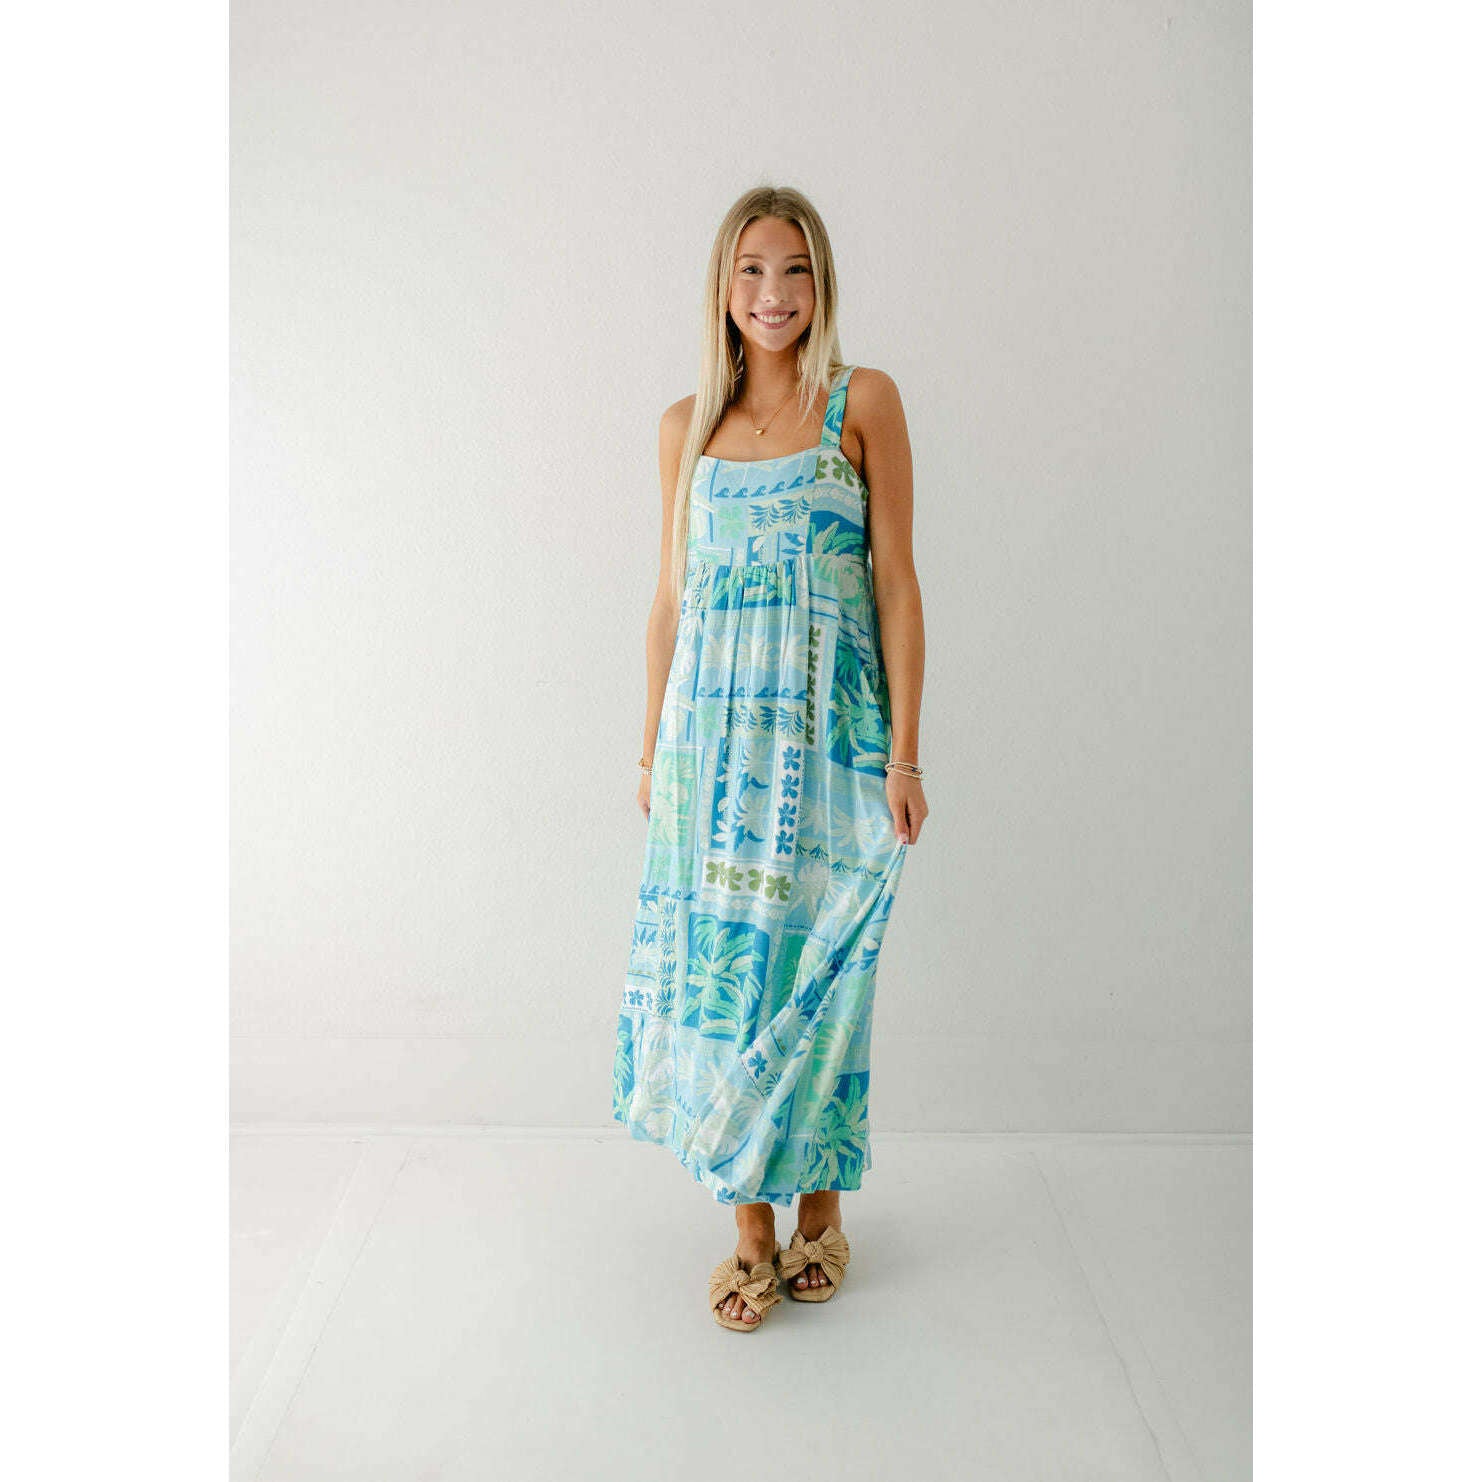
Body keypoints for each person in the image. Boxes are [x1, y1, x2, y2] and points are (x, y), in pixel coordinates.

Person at [611, 184, 928, 1332]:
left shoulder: (862, 403)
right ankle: (749, 1229)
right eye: (751, 270)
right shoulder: (685, 428)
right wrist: (652, 754)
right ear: (722, 287)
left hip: (832, 753)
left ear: (821, 283)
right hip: (710, 756)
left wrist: (905, 755)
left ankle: (821, 1215)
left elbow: (896, 582)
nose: (773, 293)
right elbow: (670, 601)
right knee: (728, 983)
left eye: (795, 270)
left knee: (823, 977)